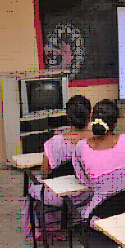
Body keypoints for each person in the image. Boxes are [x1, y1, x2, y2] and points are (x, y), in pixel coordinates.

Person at [22, 95, 92, 240]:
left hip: (61, 197)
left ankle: (46, 227)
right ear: (89, 115)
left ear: (68, 116)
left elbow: (45, 173)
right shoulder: (98, 139)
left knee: (32, 188)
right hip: (89, 193)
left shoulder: (54, 143)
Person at [72, 100, 125, 219]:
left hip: (101, 213)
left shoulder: (81, 147)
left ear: (91, 119)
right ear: (115, 123)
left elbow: (85, 181)